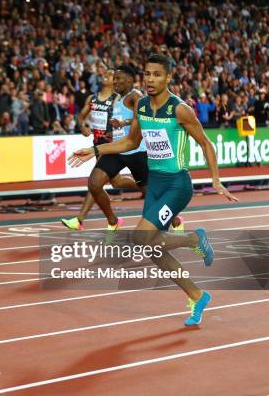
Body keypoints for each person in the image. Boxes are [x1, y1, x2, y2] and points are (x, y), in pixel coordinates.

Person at [69, 54, 238, 326]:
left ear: (168, 77)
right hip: (155, 183)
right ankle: (197, 295)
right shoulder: (143, 107)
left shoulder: (180, 109)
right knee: (153, 249)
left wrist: (216, 180)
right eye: (147, 74)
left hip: (177, 184)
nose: (150, 79)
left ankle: (195, 240)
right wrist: (95, 150)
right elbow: (130, 142)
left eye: (157, 74)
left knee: (140, 237)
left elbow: (206, 144)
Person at [84, 65, 184, 232]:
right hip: (118, 149)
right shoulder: (117, 98)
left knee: (152, 193)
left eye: (118, 78)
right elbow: (122, 122)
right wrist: (113, 133)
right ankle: (113, 220)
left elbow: (147, 115)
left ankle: (175, 221)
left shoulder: (135, 96)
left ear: (129, 80)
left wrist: (125, 123)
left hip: (138, 151)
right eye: (114, 79)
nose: (115, 82)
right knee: (94, 183)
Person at [61, 67, 141, 231]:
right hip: (98, 144)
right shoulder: (92, 98)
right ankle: (143, 186)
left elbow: (134, 117)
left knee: (96, 183)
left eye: (111, 75)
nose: (106, 75)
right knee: (115, 182)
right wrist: (82, 126)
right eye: (105, 73)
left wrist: (120, 128)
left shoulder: (119, 98)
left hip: (114, 145)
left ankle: (80, 219)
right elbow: (81, 116)